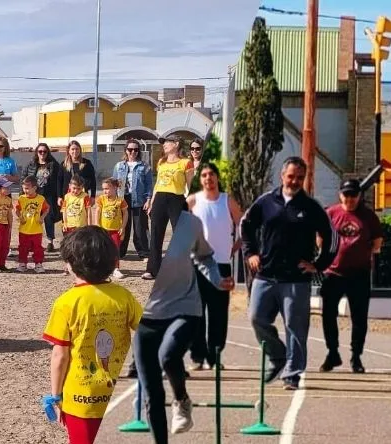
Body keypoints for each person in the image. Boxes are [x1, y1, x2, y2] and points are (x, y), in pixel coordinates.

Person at [43, 227, 141, 444]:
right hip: (118, 396)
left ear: (71, 264)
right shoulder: (124, 296)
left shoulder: (67, 302)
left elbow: (60, 356)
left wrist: (55, 395)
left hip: (81, 401)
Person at [137, 202, 231, 444]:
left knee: (168, 356)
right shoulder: (149, 225)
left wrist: (217, 280)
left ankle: (182, 399)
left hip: (184, 308)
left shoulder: (191, 224)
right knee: (152, 394)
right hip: (147, 319)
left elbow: (205, 258)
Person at [240, 157, 337, 390]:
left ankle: (292, 373)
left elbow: (332, 238)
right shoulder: (265, 202)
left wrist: (319, 264)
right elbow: (246, 226)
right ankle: (278, 355)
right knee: (256, 318)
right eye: (291, 176)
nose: (295, 181)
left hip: (296, 279)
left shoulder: (311, 207)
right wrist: (251, 253)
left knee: (296, 328)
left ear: (304, 179)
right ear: (282, 176)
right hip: (265, 275)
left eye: (300, 177)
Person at [319, 179, 383, 374]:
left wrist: (363, 254)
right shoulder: (331, 213)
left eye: (353, 195)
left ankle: (356, 356)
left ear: (360, 196)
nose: (350, 199)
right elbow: (320, 237)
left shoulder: (368, 216)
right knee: (328, 314)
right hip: (334, 273)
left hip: (359, 274)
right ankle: (332, 353)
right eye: (346, 195)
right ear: (340, 195)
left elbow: (377, 241)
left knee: (359, 318)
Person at [187, 163, 242, 371]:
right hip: (197, 265)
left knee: (219, 314)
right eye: (204, 175)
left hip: (221, 265)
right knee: (197, 312)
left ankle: (215, 357)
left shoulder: (227, 201)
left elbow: (242, 228)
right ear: (200, 180)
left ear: (217, 178)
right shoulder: (193, 201)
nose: (208, 178)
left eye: (211, 174)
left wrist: (232, 248)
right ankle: (198, 357)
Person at [144, 136, 195, 279]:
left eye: (167, 142)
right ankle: (152, 270)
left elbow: (190, 185)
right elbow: (157, 184)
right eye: (163, 143)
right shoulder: (161, 162)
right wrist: (152, 202)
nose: (164, 145)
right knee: (155, 234)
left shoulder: (186, 163)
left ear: (176, 144)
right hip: (160, 198)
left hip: (177, 199)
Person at [112, 139, 153, 262]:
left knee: (140, 227)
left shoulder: (144, 166)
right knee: (122, 226)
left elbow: (149, 185)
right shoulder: (119, 166)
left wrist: (148, 199)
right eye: (130, 149)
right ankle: (120, 252)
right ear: (126, 150)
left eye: (136, 149)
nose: (133, 152)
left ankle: (144, 253)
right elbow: (113, 183)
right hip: (123, 199)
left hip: (139, 200)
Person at [22, 143, 68, 249]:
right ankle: (32, 241)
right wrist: (23, 193)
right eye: (40, 151)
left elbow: (58, 181)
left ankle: (50, 241)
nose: (42, 153)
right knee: (33, 217)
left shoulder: (53, 165)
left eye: (44, 151)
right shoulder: (31, 164)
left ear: (48, 153)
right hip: (34, 195)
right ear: (37, 153)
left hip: (49, 195)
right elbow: (24, 179)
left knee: (48, 218)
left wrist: (59, 195)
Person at [60, 141, 97, 251]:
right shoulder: (64, 164)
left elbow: (93, 180)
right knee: (67, 220)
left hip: (82, 196)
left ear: (80, 150)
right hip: (68, 196)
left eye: (76, 149)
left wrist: (93, 196)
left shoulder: (86, 163)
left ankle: (80, 247)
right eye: (72, 149)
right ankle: (68, 247)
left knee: (81, 219)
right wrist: (59, 196)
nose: (74, 151)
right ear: (69, 151)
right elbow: (59, 181)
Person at [94, 177, 129, 279]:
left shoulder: (120, 201)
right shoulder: (101, 199)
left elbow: (125, 214)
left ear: (115, 188)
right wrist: (97, 224)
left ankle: (115, 268)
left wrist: (123, 227)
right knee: (102, 249)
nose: (105, 191)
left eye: (107, 188)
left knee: (115, 249)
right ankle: (102, 268)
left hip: (115, 230)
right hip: (103, 230)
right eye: (104, 189)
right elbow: (98, 212)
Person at [15, 176, 50, 272]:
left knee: (37, 248)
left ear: (34, 188)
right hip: (24, 229)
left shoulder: (41, 199)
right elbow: (17, 209)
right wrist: (20, 217)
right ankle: (22, 263)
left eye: (27, 188)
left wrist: (42, 217)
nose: (25, 190)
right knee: (23, 247)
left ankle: (38, 264)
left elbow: (47, 208)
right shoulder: (21, 198)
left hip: (36, 230)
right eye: (23, 188)